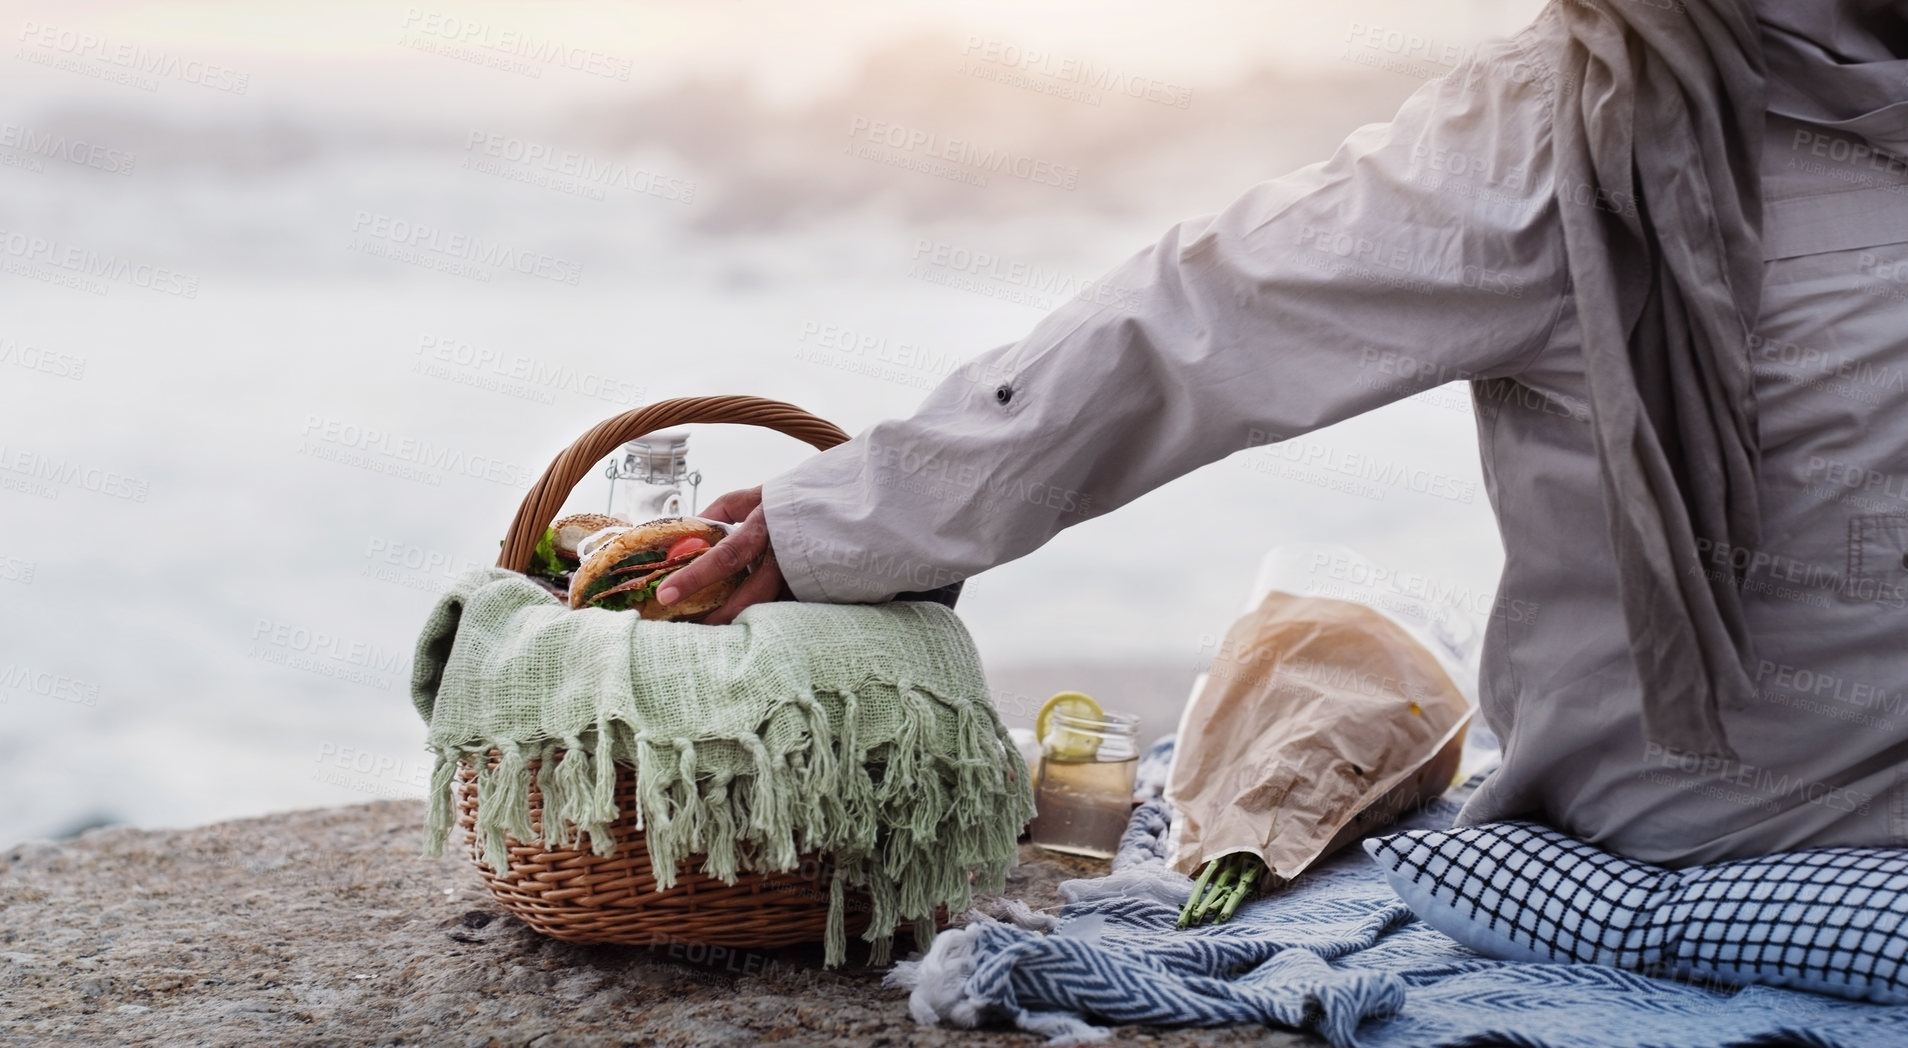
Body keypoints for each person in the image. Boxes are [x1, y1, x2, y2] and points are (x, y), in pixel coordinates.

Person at [658, 0, 1908, 868]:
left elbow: (1198, 314)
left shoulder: (1609, 115)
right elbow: (1207, 317)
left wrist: (848, 522)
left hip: (1779, 821)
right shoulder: (1571, 125)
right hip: (1747, 823)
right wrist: (854, 520)